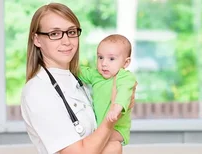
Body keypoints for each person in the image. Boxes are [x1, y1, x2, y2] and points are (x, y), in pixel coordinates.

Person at [20, 3, 136, 154]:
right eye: (55, 34)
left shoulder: (84, 81)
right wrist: (111, 118)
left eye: (71, 32)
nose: (66, 41)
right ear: (37, 40)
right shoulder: (37, 91)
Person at [79, 34, 137, 146]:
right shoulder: (96, 75)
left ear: (126, 63)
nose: (104, 63)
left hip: (117, 129)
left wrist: (116, 109)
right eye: (100, 57)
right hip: (99, 127)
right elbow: (79, 71)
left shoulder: (125, 76)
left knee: (93, 142)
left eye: (111, 59)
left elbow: (124, 93)